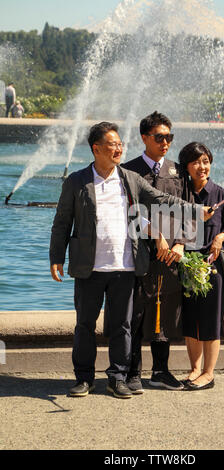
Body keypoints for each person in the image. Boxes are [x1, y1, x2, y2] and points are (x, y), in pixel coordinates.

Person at [49, 122, 212, 399]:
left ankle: (118, 377)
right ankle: (84, 378)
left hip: (125, 266)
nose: (119, 149)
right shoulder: (77, 181)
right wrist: (56, 257)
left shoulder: (129, 179)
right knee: (85, 325)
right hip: (89, 267)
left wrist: (195, 210)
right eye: (113, 144)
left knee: (122, 326)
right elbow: (62, 222)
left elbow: (162, 199)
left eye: (120, 144)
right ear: (96, 149)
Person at [121, 111, 187, 393]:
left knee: (166, 311)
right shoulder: (127, 170)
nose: (165, 142)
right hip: (141, 252)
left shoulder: (177, 171)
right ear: (144, 137)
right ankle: (133, 371)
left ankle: (161, 371)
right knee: (137, 312)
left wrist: (180, 242)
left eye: (169, 137)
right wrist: (157, 237)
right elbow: (127, 212)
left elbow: (187, 209)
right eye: (159, 137)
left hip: (170, 255)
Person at [178, 142, 224, 390]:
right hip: (186, 265)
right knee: (190, 318)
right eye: (196, 162)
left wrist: (219, 238)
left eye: (205, 161)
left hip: (212, 267)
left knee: (211, 320)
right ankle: (193, 368)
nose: (201, 167)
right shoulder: (181, 194)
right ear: (186, 166)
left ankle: (208, 373)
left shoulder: (223, 195)